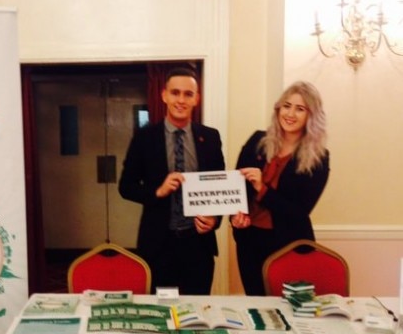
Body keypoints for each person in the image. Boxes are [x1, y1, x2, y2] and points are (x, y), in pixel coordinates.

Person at [118, 67, 225, 295]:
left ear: (196, 99)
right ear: (164, 95)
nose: (181, 100)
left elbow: (220, 189)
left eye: (188, 94)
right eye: (175, 93)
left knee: (198, 313)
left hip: (199, 245)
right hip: (159, 245)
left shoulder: (211, 137)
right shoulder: (145, 137)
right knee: (163, 313)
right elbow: (125, 187)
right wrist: (158, 191)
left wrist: (215, 220)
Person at [231, 81, 330, 296]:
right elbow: (235, 189)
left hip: (289, 245)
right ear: (278, 109)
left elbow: (299, 212)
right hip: (249, 241)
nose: (290, 113)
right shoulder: (257, 140)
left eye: (300, 109)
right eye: (286, 106)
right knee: (256, 303)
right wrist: (236, 216)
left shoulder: (319, 158)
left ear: (311, 116)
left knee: (289, 309)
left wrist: (261, 187)